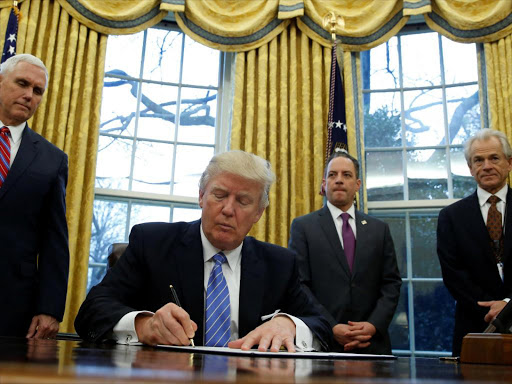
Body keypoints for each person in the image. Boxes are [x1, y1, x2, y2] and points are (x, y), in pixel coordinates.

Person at [75, 150, 331, 352]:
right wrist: (144, 325)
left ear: (259, 213)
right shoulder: (151, 243)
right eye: (219, 195)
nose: (228, 209)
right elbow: (92, 311)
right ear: (201, 196)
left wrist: (290, 325)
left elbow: (324, 325)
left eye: (243, 201)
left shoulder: (279, 264)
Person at [288, 150, 401, 354]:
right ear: (324, 184)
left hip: (372, 344)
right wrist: (330, 326)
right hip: (323, 343)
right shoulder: (303, 227)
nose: (339, 180)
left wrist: (373, 325)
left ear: (357, 184)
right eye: (333, 175)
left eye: (346, 175)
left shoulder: (379, 229)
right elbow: (299, 284)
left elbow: (391, 283)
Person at [0, 54, 69, 338]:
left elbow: (55, 239)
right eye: (22, 83)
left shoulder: (52, 160)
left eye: (37, 90)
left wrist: (50, 308)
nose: (29, 95)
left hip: (12, 304)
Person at [437, 128, 512, 356]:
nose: (486, 165)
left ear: (509, 163)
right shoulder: (451, 216)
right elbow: (454, 276)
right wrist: (494, 309)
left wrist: (509, 306)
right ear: (470, 168)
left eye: (494, 158)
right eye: (478, 160)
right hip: (474, 330)